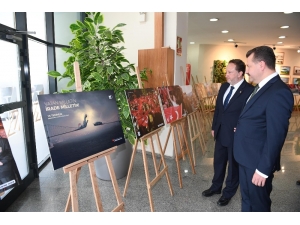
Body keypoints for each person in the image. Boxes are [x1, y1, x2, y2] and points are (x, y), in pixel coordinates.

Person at [233, 46, 294, 212]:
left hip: (257, 163)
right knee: (247, 201)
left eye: (249, 66)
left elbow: (276, 136)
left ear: (261, 65)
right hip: (246, 157)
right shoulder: (260, 87)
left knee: (258, 206)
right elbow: (258, 120)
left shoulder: (278, 92)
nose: (247, 71)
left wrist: (263, 169)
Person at [202, 59, 254, 206]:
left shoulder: (249, 91)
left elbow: (249, 115)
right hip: (220, 131)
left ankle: (228, 192)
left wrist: (242, 128)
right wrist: (214, 127)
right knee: (218, 162)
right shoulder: (224, 87)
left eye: (230, 72)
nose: (227, 75)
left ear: (240, 73)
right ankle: (216, 187)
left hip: (235, 135)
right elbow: (219, 109)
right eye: (226, 72)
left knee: (233, 166)